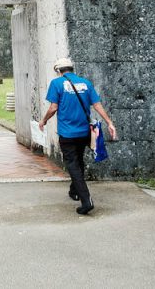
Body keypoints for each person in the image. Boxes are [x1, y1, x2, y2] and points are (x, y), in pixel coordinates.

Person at [38, 57, 116, 215]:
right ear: (71, 69)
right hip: (84, 132)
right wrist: (109, 122)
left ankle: (86, 200)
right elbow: (97, 104)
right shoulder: (86, 83)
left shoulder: (57, 83)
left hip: (67, 133)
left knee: (72, 164)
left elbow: (53, 107)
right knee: (78, 160)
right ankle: (74, 191)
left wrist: (43, 120)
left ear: (59, 71)